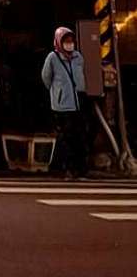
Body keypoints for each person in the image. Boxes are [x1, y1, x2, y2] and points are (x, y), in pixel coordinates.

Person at [42, 26, 88, 178]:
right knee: (66, 137)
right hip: (62, 105)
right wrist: (57, 92)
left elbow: (81, 75)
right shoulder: (53, 58)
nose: (69, 43)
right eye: (66, 41)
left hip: (77, 102)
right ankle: (64, 168)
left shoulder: (78, 57)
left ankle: (78, 168)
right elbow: (46, 77)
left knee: (78, 137)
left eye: (71, 41)